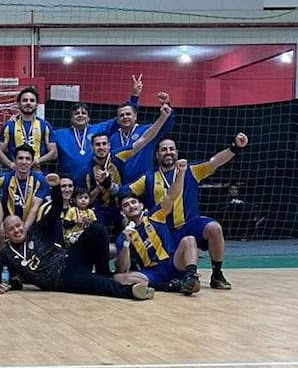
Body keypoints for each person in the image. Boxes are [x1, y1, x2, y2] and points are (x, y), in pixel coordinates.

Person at [0, 174, 155, 300]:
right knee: (95, 283)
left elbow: (56, 209)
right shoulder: (7, 254)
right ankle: (132, 292)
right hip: (63, 280)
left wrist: (55, 188)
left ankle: (105, 273)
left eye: (18, 225)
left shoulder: (36, 231)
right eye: (12, 229)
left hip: (70, 258)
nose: (17, 230)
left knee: (97, 229)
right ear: (7, 234)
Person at [124, 133, 250, 290]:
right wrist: (106, 182)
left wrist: (235, 147)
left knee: (214, 228)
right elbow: (124, 192)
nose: (168, 152)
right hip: (164, 233)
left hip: (189, 224)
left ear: (176, 152)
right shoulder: (148, 178)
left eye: (171, 149)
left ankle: (217, 274)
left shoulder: (191, 170)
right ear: (157, 154)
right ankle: (175, 279)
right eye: (164, 149)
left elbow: (215, 162)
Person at [85, 103, 172, 237]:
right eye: (97, 145)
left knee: (138, 228)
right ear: (91, 148)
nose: (101, 147)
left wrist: (163, 116)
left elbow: (145, 139)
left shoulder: (118, 156)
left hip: (128, 196)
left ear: (109, 146)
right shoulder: (88, 167)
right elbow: (87, 199)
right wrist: (98, 187)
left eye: (104, 144)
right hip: (103, 208)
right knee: (97, 235)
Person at [116, 159, 201, 296]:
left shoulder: (155, 216)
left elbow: (172, 195)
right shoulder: (124, 236)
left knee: (189, 240)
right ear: (123, 212)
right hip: (151, 272)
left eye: (133, 202)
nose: (131, 206)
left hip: (172, 263)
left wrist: (181, 173)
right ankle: (172, 286)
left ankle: (191, 276)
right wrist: (126, 242)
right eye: (126, 205)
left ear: (141, 205)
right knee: (119, 278)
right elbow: (121, 268)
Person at [54, 76, 142, 186]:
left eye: (83, 113)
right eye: (76, 113)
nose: (80, 115)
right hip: (69, 184)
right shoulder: (59, 134)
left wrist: (134, 97)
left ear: (89, 118)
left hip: (96, 183)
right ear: (71, 118)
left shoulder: (98, 129)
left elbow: (121, 117)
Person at [110, 89, 174, 183]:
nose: (125, 117)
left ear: (135, 116)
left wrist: (167, 105)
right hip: (121, 185)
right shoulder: (113, 138)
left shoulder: (146, 130)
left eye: (128, 114)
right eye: (121, 115)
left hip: (145, 183)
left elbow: (166, 126)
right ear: (118, 120)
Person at [0, 86, 57, 171]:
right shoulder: (9, 125)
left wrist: (37, 161)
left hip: (38, 173)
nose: (28, 103)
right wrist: (11, 165)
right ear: (18, 104)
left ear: (36, 104)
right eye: (25, 100)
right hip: (15, 174)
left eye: (32, 100)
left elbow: (54, 152)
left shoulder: (45, 125)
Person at [0, 144, 49, 230]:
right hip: (9, 225)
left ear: (32, 162)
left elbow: (34, 209)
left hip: (32, 226)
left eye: (27, 159)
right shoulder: (4, 178)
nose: (24, 162)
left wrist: (24, 229)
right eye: (20, 158)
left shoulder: (40, 181)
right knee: (1, 229)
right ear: (14, 160)